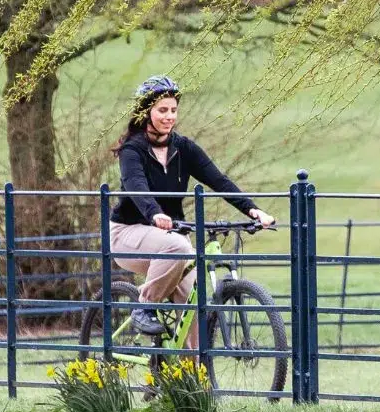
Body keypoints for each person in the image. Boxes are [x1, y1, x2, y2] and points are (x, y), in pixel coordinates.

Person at [109, 75, 275, 336]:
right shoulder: (133, 149)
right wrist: (155, 214)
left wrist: (252, 209)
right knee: (179, 247)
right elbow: (136, 187)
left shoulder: (183, 148)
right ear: (145, 111)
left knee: (193, 308)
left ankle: (190, 374)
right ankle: (144, 308)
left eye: (173, 110)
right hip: (129, 233)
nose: (169, 116)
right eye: (162, 110)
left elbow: (218, 180)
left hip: (172, 234)